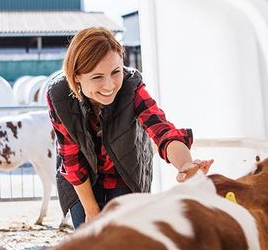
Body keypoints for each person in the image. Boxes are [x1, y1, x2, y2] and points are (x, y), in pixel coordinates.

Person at [46, 27, 212, 229]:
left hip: (126, 173)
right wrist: (91, 211)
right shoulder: (59, 96)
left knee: (125, 236)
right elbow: (71, 158)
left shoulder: (132, 86)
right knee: (90, 236)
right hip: (83, 181)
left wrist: (185, 165)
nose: (109, 85)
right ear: (76, 76)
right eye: (97, 77)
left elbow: (162, 130)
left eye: (116, 72)